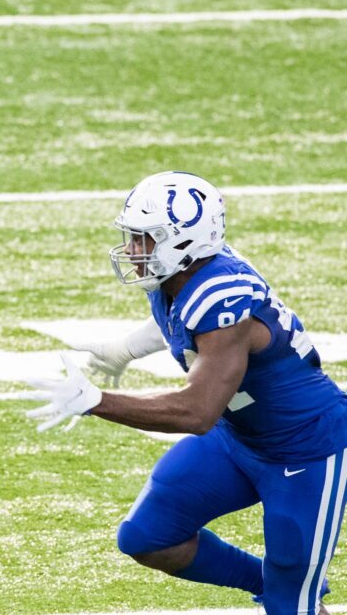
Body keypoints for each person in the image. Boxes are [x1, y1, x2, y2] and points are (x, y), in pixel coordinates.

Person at [26, 171, 347, 615]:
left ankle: (287, 590)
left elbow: (196, 411)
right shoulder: (181, 276)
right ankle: (271, 582)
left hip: (305, 449)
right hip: (238, 438)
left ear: (183, 242)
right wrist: (124, 350)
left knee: (291, 604)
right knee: (148, 537)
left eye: (145, 239)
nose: (134, 251)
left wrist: (96, 402)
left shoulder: (224, 297)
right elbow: (183, 323)